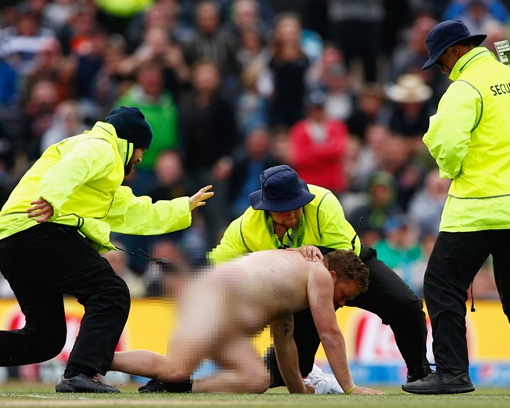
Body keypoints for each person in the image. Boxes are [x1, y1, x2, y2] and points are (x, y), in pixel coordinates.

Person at [0, 106, 214, 394]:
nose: (140, 158)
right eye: (140, 150)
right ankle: (81, 372)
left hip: (11, 241)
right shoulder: (102, 149)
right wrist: (52, 197)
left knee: (45, 338)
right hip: (36, 231)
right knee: (111, 291)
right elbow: (73, 167)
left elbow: (133, 211)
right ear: (128, 143)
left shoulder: (97, 169)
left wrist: (181, 208)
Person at [137, 165, 429, 393]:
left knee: (407, 305)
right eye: (282, 213)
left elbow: (346, 252)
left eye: (295, 209)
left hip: (349, 271)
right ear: (266, 208)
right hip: (304, 289)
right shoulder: (245, 226)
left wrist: (318, 253)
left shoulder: (324, 203)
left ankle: (419, 374)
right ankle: (178, 383)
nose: (290, 217)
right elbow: (219, 263)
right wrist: (185, 268)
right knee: (293, 364)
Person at [402, 19, 510, 396]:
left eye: (440, 60)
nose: (441, 68)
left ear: (454, 51)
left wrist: (453, 169)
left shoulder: (465, 87)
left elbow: (446, 142)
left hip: (476, 205)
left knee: (442, 285)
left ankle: (452, 372)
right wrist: (508, 144)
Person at [111, 248, 380, 395]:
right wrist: (350, 388)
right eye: (345, 294)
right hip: (218, 299)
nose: (342, 303)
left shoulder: (290, 283)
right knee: (181, 370)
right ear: (334, 275)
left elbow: (285, 345)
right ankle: (93, 358)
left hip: (210, 293)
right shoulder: (319, 274)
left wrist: (299, 392)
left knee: (180, 371)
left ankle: (95, 358)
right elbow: (330, 334)